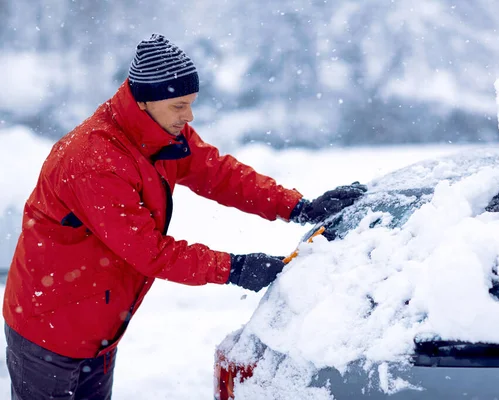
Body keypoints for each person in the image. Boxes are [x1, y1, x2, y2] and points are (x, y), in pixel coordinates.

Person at [2, 34, 366, 399]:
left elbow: (220, 173)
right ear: (144, 102)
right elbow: (148, 251)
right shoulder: (95, 160)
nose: (188, 116)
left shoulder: (160, 134)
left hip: (98, 327)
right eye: (179, 105)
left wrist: (298, 206)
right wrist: (233, 268)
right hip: (48, 330)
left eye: (190, 104)